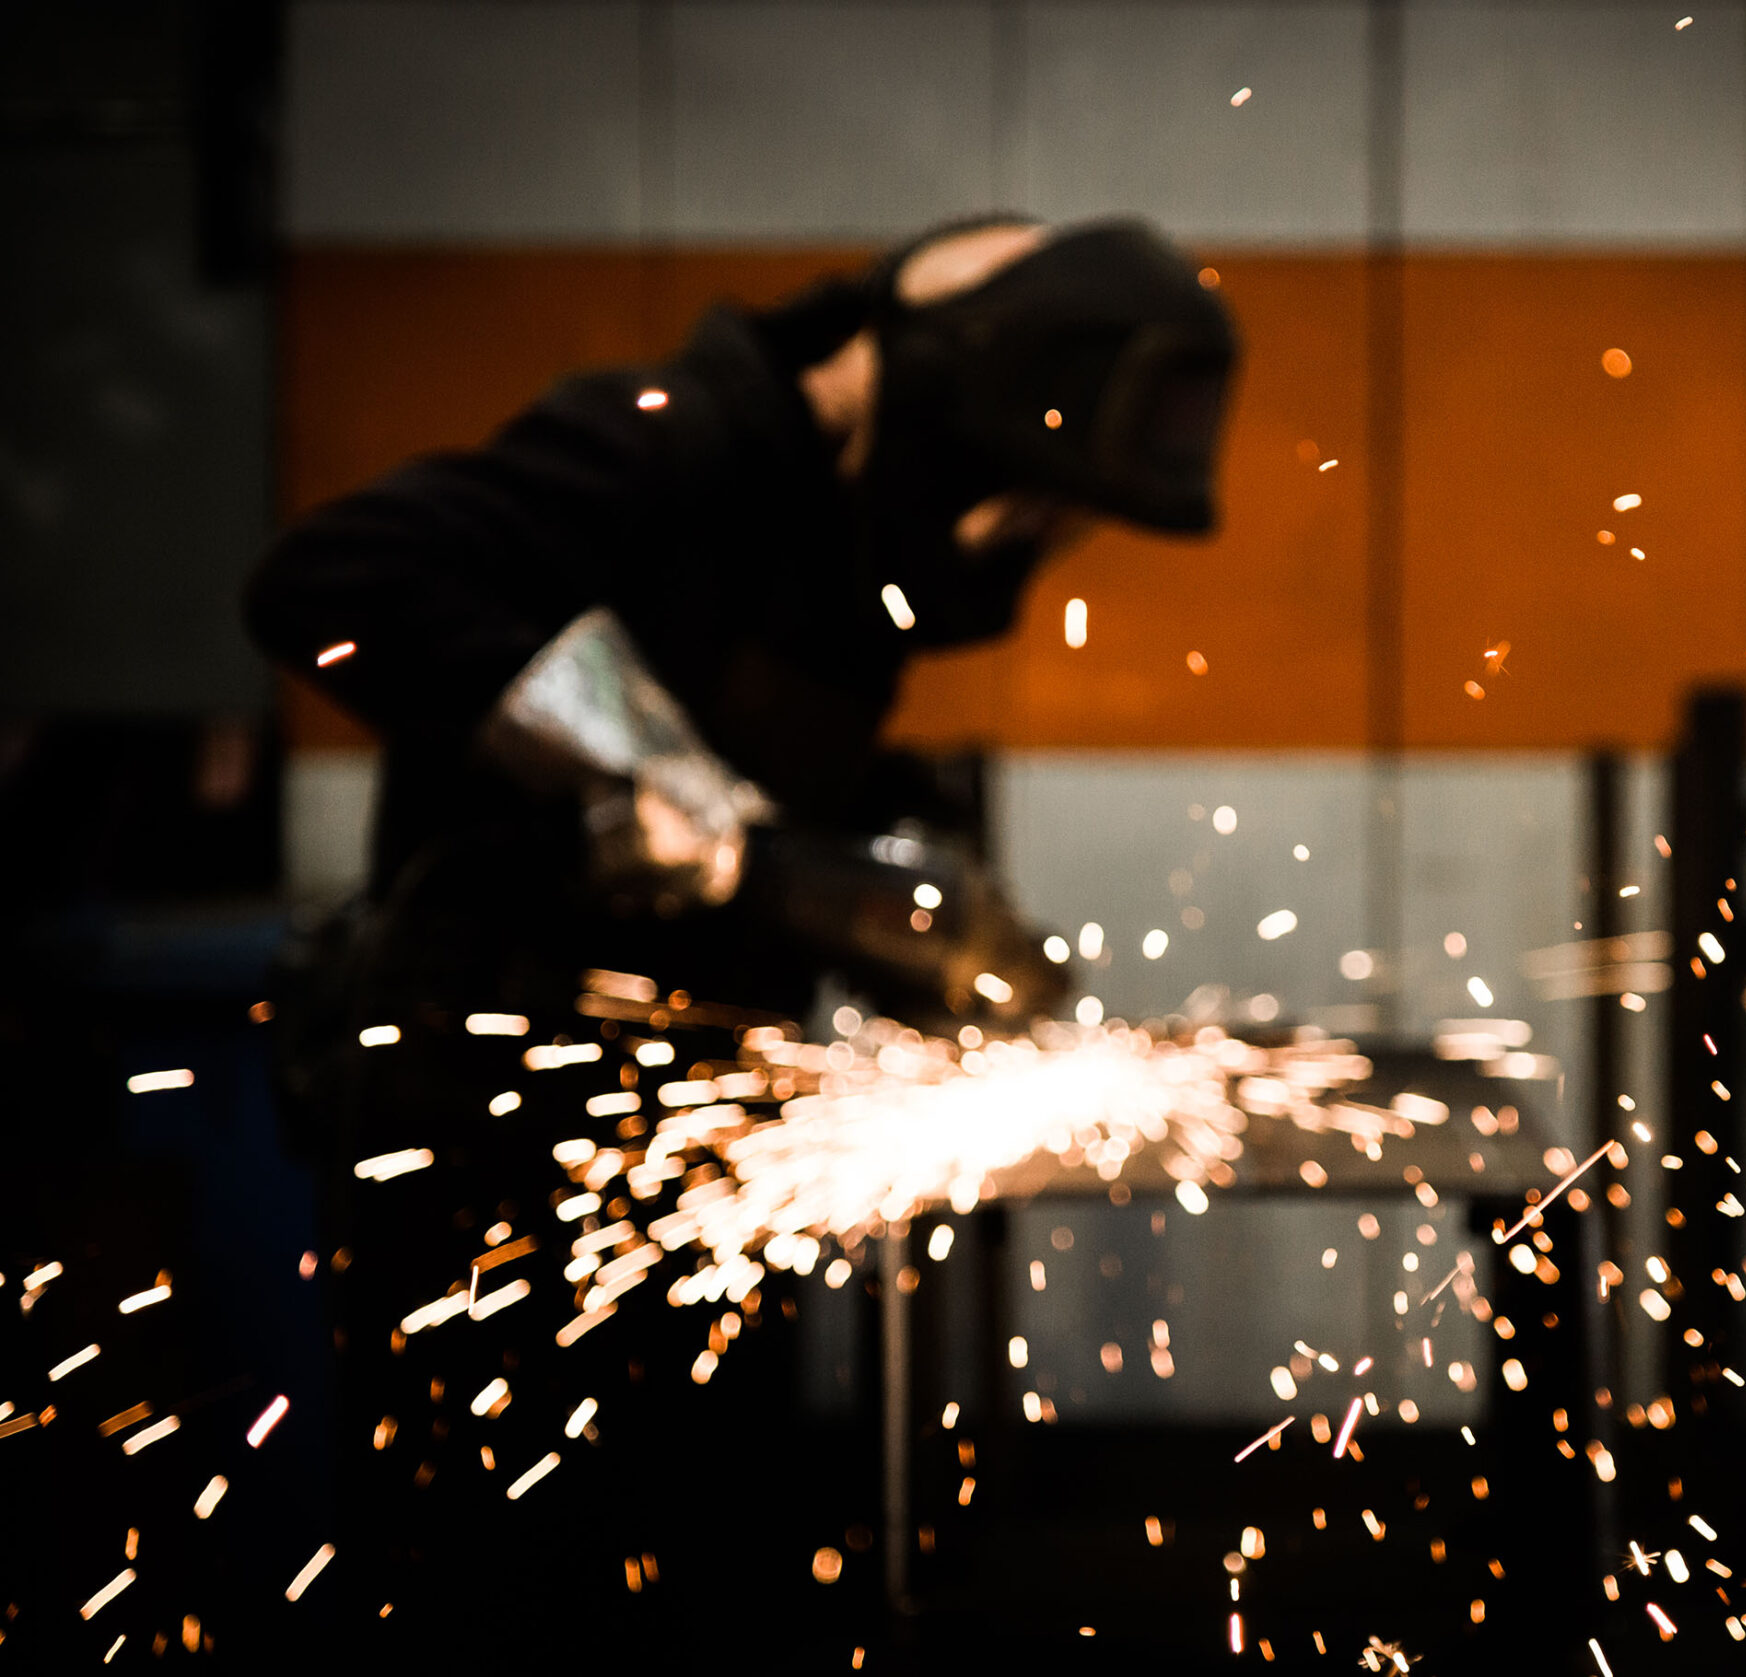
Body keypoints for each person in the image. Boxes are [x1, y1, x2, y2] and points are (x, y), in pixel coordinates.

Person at [238, 216, 1236, 1663]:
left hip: (687, 1160)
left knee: (701, 1589)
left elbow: (779, 796)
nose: (1013, 542)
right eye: (1020, 506)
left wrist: (900, 889)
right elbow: (326, 576)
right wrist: (661, 791)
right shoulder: (667, 444)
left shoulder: (832, 540)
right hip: (487, 1162)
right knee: (502, 1597)